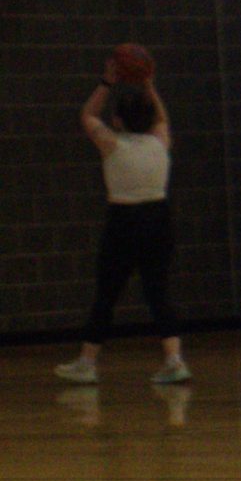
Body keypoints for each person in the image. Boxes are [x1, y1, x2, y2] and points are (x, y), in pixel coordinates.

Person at [57, 76, 187, 387]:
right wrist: (150, 84)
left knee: (106, 295)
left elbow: (88, 115)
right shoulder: (160, 141)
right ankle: (174, 360)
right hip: (159, 219)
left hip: (124, 221)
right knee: (158, 293)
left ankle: (87, 363)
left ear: (116, 120)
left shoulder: (111, 144)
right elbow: (162, 117)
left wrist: (106, 82)